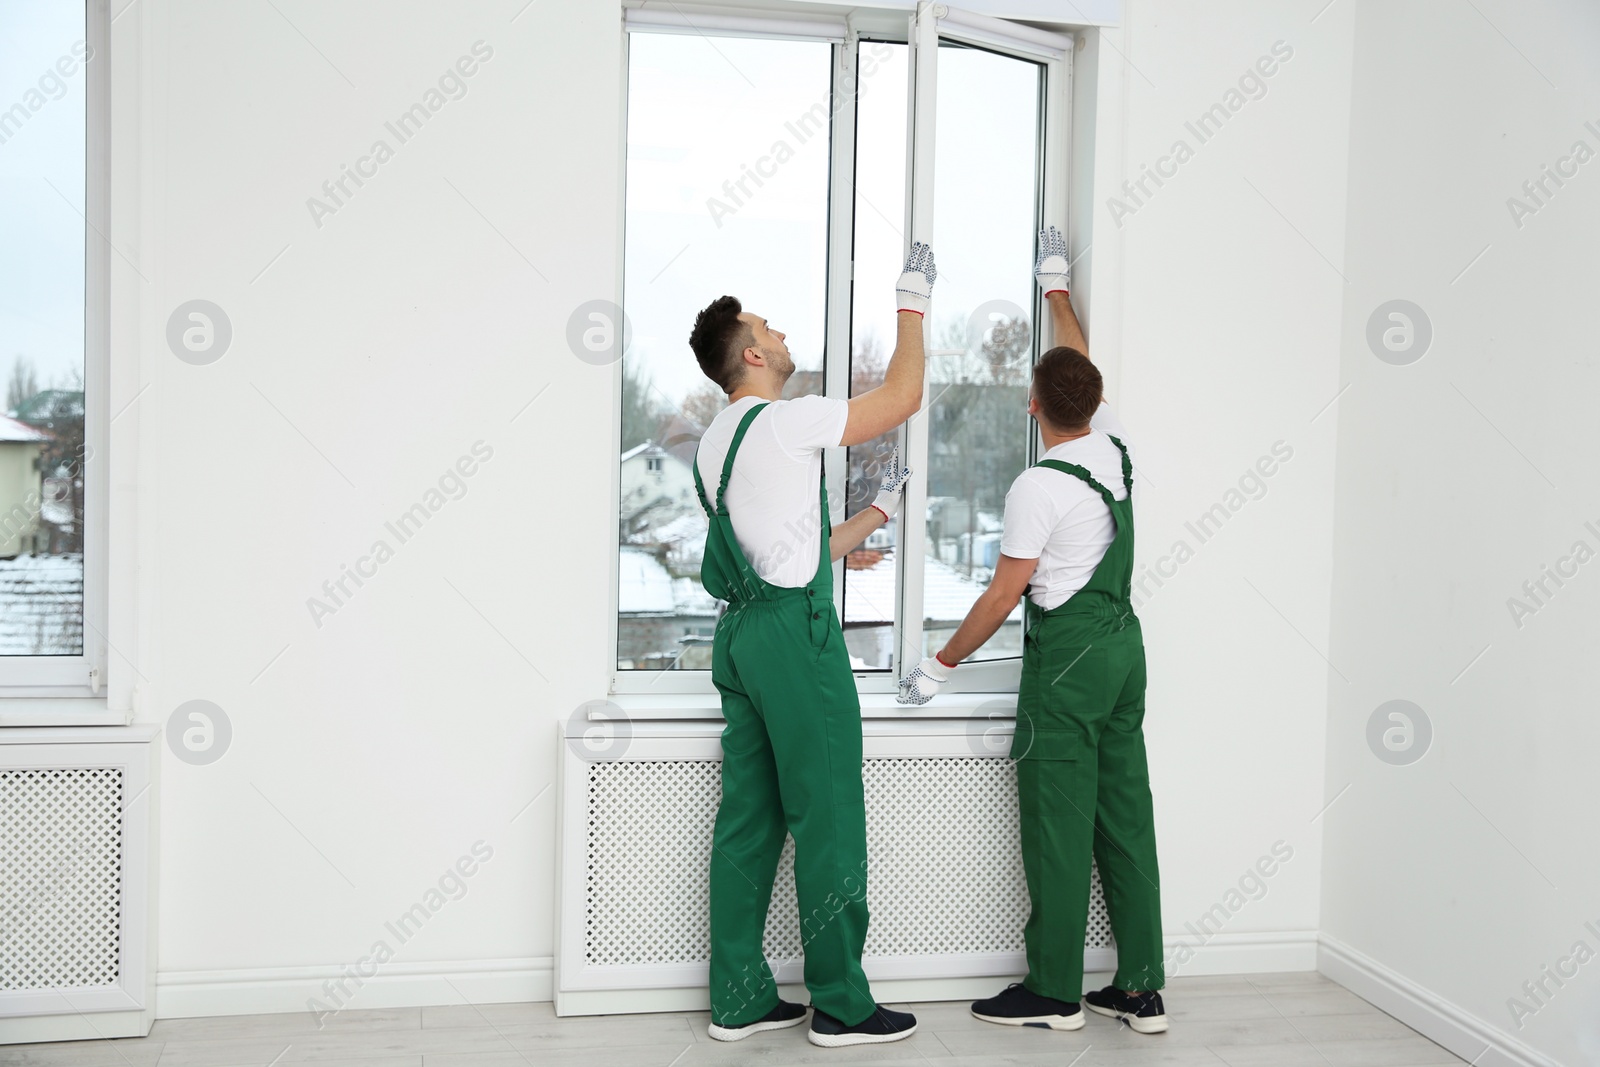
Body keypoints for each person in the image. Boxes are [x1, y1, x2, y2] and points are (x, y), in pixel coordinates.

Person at [897, 226, 1167, 1035]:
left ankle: (1053, 991)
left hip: (1071, 666)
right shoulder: (1112, 446)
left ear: (1032, 407)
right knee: (1125, 815)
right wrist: (1055, 287)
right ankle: (1142, 988)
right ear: (1091, 401)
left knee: (1057, 821)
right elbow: (1080, 357)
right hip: (1124, 652)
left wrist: (937, 665)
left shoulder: (1039, 484)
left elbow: (1000, 597)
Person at [688, 243, 939, 1048]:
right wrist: (911, 301)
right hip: (797, 641)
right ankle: (840, 1003)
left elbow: (781, 554)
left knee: (750, 822)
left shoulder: (714, 443)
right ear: (753, 354)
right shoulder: (789, 420)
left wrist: (874, 516)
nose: (783, 331)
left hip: (744, 638)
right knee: (827, 814)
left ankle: (739, 997)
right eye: (769, 325)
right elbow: (902, 395)